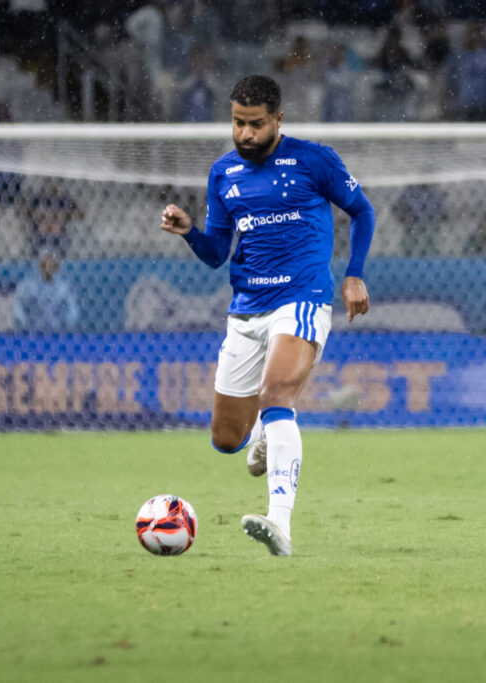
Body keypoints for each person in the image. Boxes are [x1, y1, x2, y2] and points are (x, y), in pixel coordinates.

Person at [160, 75, 375, 556]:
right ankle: (261, 430)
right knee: (225, 438)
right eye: (238, 123)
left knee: (277, 395)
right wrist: (190, 231)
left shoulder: (313, 159)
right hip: (246, 309)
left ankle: (280, 524)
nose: (245, 134)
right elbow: (217, 252)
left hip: (302, 297)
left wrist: (354, 274)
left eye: (256, 124)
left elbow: (363, 212)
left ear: (278, 119)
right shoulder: (222, 173)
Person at [13, 246, 79, 332]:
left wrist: (68, 323)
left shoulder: (63, 286)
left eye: (52, 263)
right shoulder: (27, 285)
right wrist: (24, 323)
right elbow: (18, 306)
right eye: (46, 263)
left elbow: (72, 310)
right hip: (33, 331)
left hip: (57, 331)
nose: (49, 266)